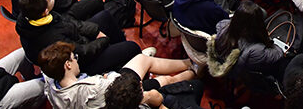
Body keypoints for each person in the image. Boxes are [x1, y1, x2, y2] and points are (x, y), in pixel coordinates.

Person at [15, 0, 143, 74]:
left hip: (77, 40)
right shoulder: (51, 38)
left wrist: (95, 31)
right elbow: (82, 53)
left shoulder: (32, 17)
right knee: (132, 47)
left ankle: (117, 53)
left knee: (104, 17)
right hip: (79, 64)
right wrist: (103, 40)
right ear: (45, 11)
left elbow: (70, 23)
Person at [38, 40, 193, 109]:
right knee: (153, 70)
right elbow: (117, 86)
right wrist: (109, 76)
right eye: (74, 58)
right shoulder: (93, 88)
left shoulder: (51, 86)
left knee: (156, 76)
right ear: (68, 65)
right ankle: (191, 65)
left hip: (107, 93)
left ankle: (190, 68)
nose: (77, 60)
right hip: (120, 94)